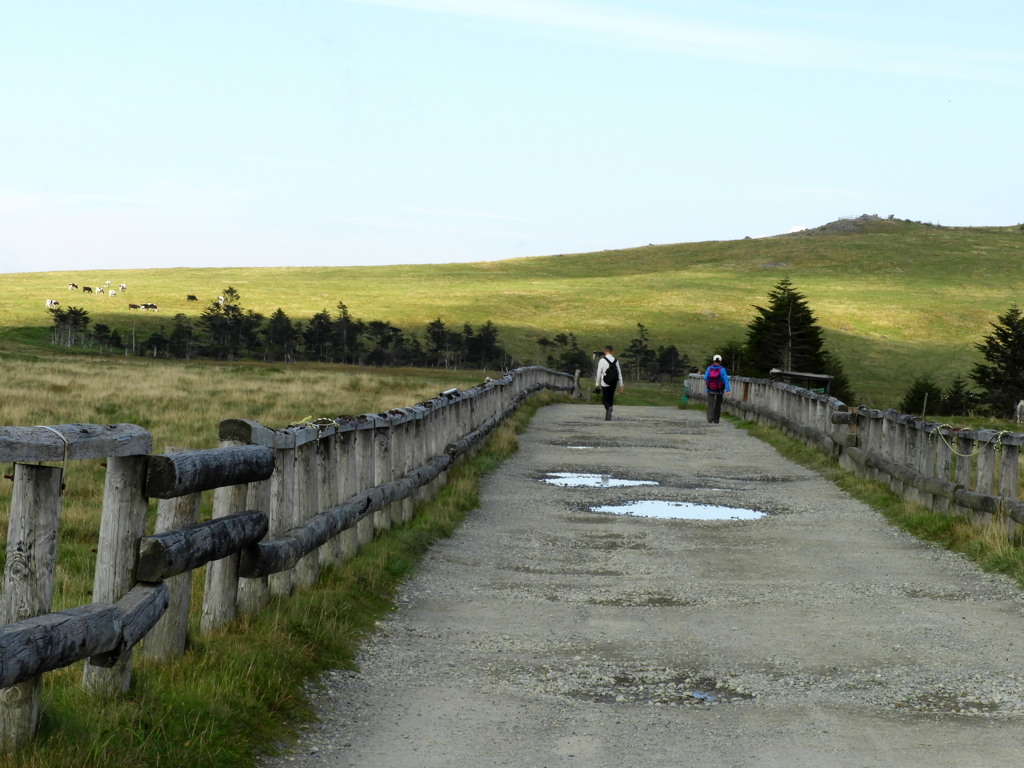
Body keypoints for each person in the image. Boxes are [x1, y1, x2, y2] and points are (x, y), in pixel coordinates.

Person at [595, 345, 625, 420]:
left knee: (605, 399)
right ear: (612, 352)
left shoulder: (602, 360)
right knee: (611, 398)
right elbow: (619, 373)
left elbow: (599, 372)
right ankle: (608, 414)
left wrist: (597, 384)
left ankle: (608, 408)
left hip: (605, 382)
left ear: (604, 351)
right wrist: (621, 385)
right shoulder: (616, 361)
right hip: (614, 382)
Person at [704, 354, 730, 424]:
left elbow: (705, 377)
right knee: (718, 405)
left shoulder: (709, 368)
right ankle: (716, 420)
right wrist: (728, 390)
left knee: (710, 404)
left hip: (710, 389)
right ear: (720, 361)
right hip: (719, 390)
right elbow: (725, 379)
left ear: (713, 360)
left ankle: (709, 418)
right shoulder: (722, 369)